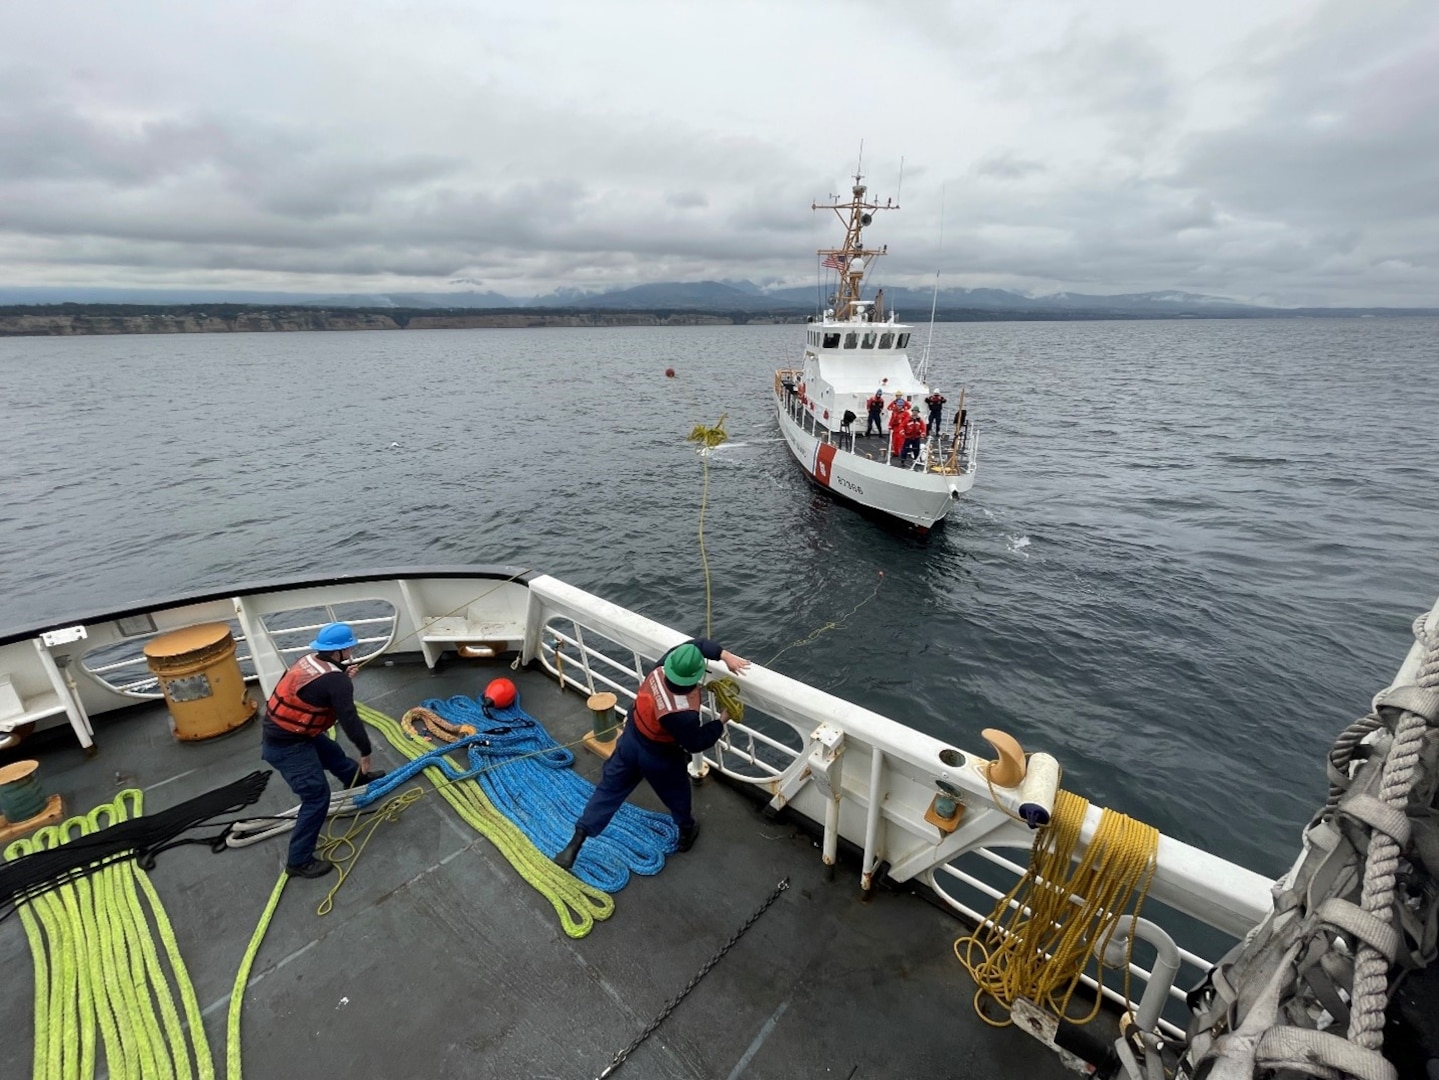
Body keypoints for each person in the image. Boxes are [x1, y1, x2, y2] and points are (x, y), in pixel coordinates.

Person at [554, 638, 751, 869]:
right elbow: (696, 742)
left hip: (631, 740)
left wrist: (724, 654)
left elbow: (694, 646)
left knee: (609, 790)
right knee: (677, 794)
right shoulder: (681, 714)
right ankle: (686, 832)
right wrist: (721, 721)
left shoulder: (662, 667)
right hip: (658, 756)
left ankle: (576, 841)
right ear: (695, 678)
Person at [260, 622, 387, 878]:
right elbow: (349, 718)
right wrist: (365, 751)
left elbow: (319, 684)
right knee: (316, 797)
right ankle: (298, 861)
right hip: (287, 746)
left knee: (333, 755)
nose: (352, 648)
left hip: (289, 733)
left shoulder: (309, 660)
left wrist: (340, 673)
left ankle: (355, 780)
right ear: (341, 650)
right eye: (349, 646)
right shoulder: (337, 682)